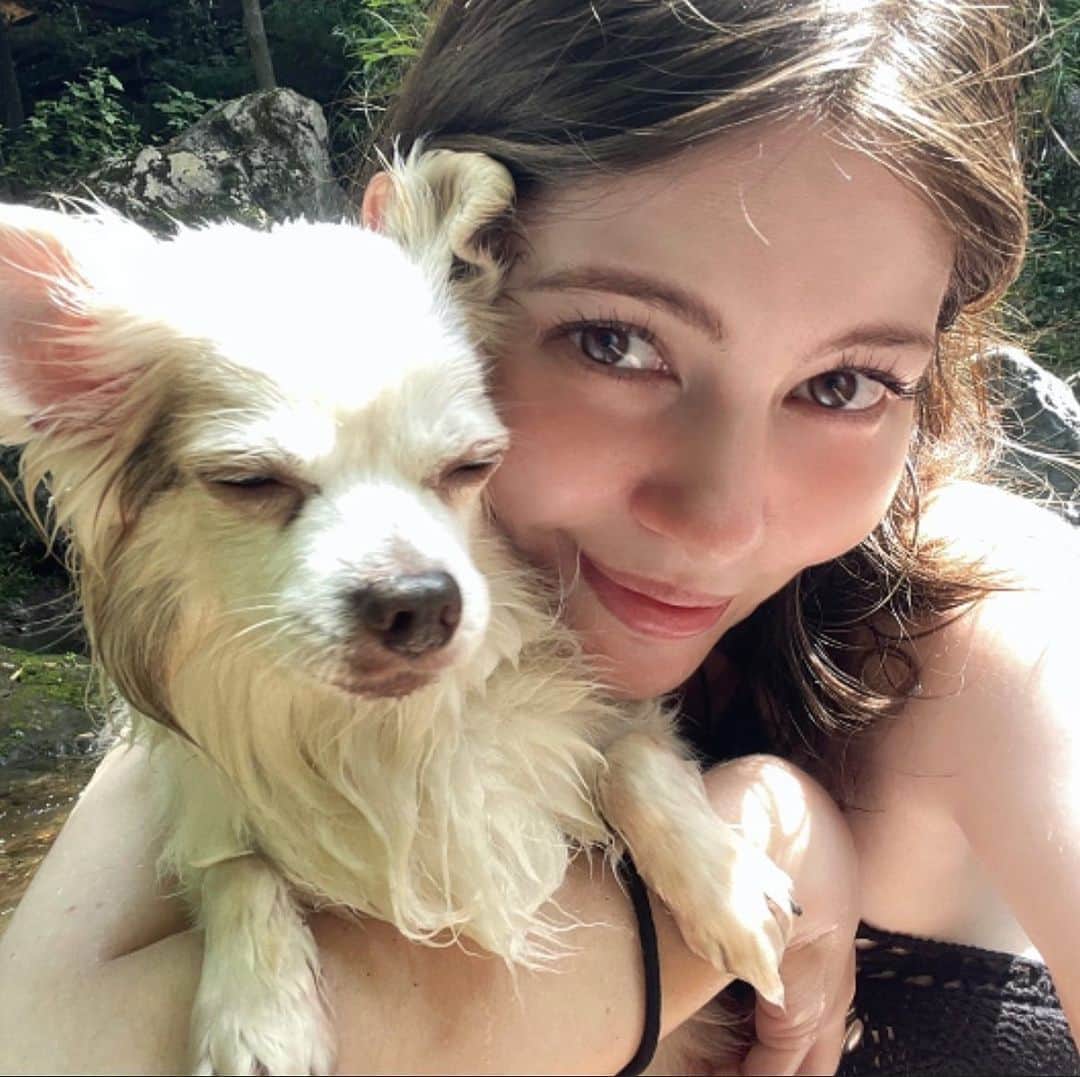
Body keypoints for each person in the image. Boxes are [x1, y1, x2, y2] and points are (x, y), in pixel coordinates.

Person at [2, 0, 1078, 1074]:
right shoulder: (235, 671)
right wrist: (770, 833)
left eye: (846, 383)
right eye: (614, 342)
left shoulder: (1004, 634)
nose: (718, 519)